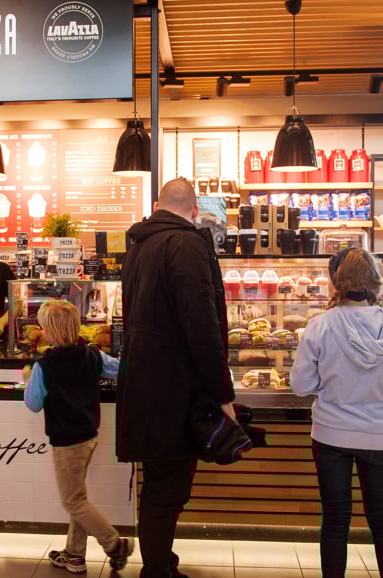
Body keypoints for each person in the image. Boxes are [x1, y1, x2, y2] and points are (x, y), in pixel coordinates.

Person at [116, 177, 236, 578]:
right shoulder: (186, 244)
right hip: (173, 390)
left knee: (158, 484)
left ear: (156, 206)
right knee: (168, 490)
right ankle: (156, 571)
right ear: (196, 210)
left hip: (144, 382)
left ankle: (160, 564)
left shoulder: (139, 245)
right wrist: (222, 393)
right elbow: (201, 326)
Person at [290, 247, 383, 578]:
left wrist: (328, 382)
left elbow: (301, 385)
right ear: (375, 281)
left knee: (335, 521)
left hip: (330, 434)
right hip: (379, 436)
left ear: (338, 282)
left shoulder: (320, 326)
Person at [23, 299, 134, 574]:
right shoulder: (93, 354)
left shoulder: (44, 366)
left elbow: (33, 404)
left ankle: (114, 544)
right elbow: (122, 369)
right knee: (78, 497)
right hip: (89, 435)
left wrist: (28, 379)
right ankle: (74, 554)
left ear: (50, 331)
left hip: (66, 442)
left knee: (72, 501)